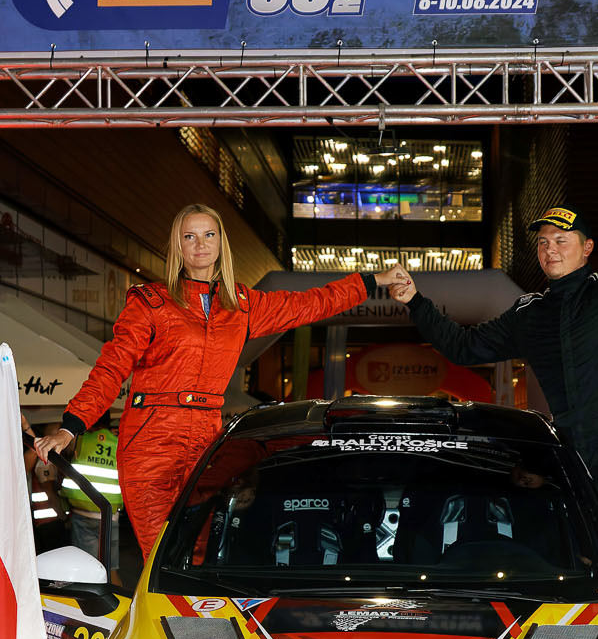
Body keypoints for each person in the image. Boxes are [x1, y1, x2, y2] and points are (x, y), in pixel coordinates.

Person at [390, 141, 598, 580]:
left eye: (562, 240)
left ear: (587, 248)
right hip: (569, 457)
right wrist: (416, 302)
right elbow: (464, 348)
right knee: (569, 567)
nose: (550, 249)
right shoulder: (530, 314)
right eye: (543, 242)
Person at [33, 204, 406, 556]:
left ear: (221, 243)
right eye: (190, 236)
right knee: (160, 555)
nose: (200, 244)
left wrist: (375, 280)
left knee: (200, 553)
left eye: (208, 235)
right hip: (152, 438)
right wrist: (70, 427)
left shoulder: (242, 305)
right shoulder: (150, 302)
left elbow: (311, 303)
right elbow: (111, 367)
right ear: (178, 246)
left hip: (207, 439)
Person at [61, 408, 126, 576]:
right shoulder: (119, 443)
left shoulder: (80, 440)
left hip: (82, 514)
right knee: (111, 571)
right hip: (110, 516)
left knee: (86, 570)